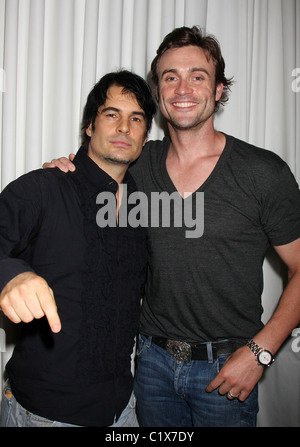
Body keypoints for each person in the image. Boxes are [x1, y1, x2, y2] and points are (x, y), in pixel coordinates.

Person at [43, 26, 300, 427]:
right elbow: (89, 173)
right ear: (159, 91)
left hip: (226, 370)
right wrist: (61, 171)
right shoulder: (138, 163)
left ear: (217, 90)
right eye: (170, 77)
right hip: (151, 366)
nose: (183, 88)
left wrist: (260, 352)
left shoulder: (262, 173)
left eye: (198, 76)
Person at [0, 70, 157, 427]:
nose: (123, 128)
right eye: (111, 114)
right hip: (46, 414)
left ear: (145, 138)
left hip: (124, 409)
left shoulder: (144, 206)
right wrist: (11, 275)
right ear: (90, 126)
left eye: (136, 119)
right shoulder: (41, 189)